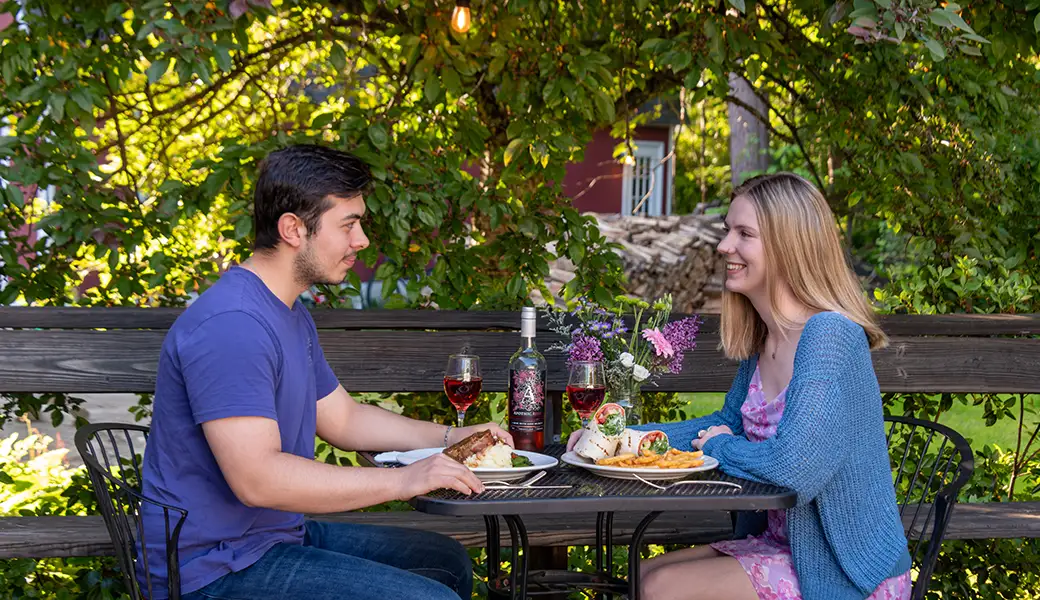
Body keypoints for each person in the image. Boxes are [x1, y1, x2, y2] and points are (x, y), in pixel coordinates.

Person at [138, 144, 508, 600]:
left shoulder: (287, 312)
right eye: (348, 224)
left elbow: (345, 420)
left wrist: (455, 439)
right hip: (211, 568)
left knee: (446, 562)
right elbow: (257, 479)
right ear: (293, 228)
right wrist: (402, 480)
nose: (362, 241)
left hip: (271, 537)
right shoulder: (232, 325)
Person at [568, 173, 912, 600]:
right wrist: (625, 438)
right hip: (780, 547)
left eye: (744, 233)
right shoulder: (767, 337)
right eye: (728, 230)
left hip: (842, 569)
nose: (723, 245)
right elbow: (726, 423)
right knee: (642, 576)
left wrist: (719, 448)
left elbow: (796, 470)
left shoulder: (830, 336)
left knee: (661, 588)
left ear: (789, 246)